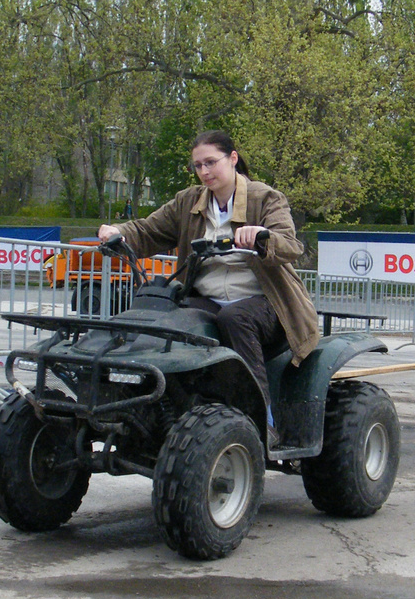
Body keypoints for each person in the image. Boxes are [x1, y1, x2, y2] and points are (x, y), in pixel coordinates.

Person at [98, 131, 319, 424]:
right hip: (208, 300)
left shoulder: (264, 198)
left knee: (235, 318)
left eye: (211, 163)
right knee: (167, 322)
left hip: (266, 304)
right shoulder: (188, 202)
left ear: (233, 159)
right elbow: (148, 230)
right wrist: (118, 232)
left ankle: (260, 419)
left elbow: (290, 245)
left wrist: (262, 237)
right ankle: (159, 411)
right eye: (198, 165)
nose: (204, 171)